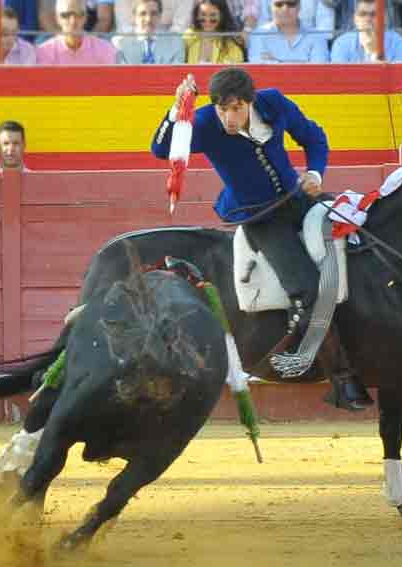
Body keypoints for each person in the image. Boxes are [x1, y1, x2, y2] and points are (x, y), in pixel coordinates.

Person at [150, 67, 373, 411]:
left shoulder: (273, 103)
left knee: (357, 243)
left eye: (236, 108)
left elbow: (314, 137)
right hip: (260, 217)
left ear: (250, 102)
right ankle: (340, 377)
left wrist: (315, 171)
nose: (228, 117)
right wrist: (177, 108)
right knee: (308, 287)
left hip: (299, 200)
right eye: (222, 108)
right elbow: (161, 149)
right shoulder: (207, 122)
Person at [36, 0, 120, 63]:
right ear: (57, 18)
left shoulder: (105, 50)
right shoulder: (43, 52)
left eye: (79, 14)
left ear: (86, 17)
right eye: (66, 15)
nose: (73, 21)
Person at [330, 0, 402, 62]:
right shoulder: (341, 44)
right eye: (362, 14)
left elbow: (399, 81)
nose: (368, 19)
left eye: (374, 14)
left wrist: (375, 53)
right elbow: (340, 81)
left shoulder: (400, 44)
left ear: (384, 18)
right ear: (355, 19)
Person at [248, 0, 329, 62]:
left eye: (291, 4)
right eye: (279, 5)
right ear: (271, 7)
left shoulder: (317, 36)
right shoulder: (258, 35)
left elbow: (318, 72)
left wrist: (276, 62)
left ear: (299, 7)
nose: (285, 9)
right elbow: (260, 72)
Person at [113, 0, 185, 63]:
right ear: (134, 16)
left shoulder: (176, 42)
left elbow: (175, 74)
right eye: (143, 14)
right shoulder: (120, 43)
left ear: (160, 16)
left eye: (153, 13)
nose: (148, 19)